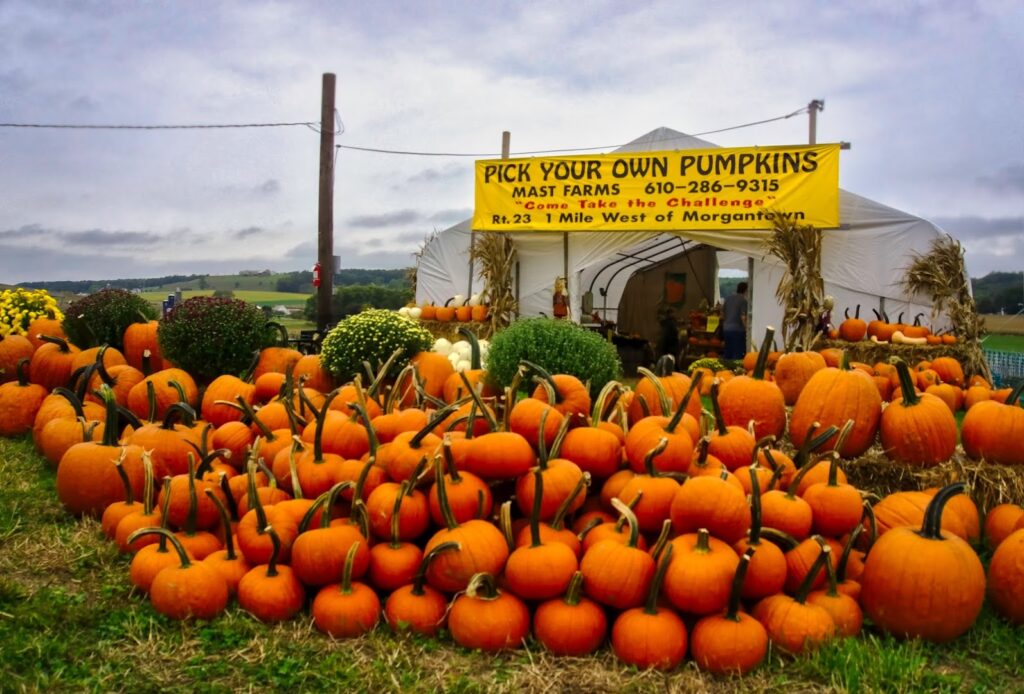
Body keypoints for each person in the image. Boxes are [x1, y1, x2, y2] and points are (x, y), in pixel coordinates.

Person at [721, 281, 749, 360]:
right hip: (737, 330)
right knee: (737, 354)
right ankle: (735, 371)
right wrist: (747, 329)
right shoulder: (743, 301)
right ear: (746, 290)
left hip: (726, 329)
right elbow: (743, 317)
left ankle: (725, 369)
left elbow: (723, 314)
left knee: (727, 352)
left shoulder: (728, 298)